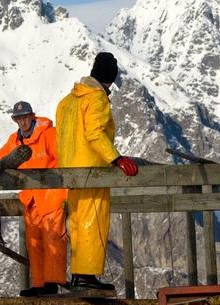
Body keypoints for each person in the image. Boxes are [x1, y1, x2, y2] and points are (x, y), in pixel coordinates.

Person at [55, 52, 138, 290]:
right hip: (93, 171)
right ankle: (87, 276)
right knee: (94, 222)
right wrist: (116, 158)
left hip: (71, 173)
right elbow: (95, 133)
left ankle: (78, 275)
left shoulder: (67, 101)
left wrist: (64, 169)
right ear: (110, 79)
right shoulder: (96, 99)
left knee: (78, 224)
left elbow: (60, 137)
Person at [0, 101, 68, 297]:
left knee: (53, 240)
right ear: (14, 120)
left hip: (51, 196)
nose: (22, 121)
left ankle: (52, 283)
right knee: (33, 243)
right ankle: (39, 284)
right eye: (18, 118)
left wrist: (64, 190)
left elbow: (65, 159)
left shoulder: (49, 134)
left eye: (25, 117)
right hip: (30, 201)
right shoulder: (14, 141)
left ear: (32, 116)